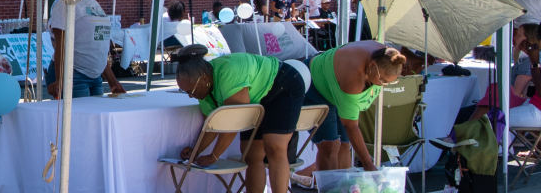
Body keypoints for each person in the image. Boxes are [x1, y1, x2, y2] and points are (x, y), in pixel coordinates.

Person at [174, 45, 305, 193]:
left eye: (191, 91)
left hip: (282, 84)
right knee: (251, 155)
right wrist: (195, 151)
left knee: (275, 149)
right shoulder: (202, 90)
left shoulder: (229, 72)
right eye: (186, 92)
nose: (191, 95)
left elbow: (235, 122)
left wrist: (214, 156)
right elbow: (211, 126)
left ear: (204, 78)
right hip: (256, 98)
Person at [293, 40, 406, 179]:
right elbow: (351, 126)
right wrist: (368, 165)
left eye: (389, 82)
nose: (383, 85)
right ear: (372, 65)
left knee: (345, 145)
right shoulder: (353, 77)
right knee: (330, 145)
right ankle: (328, 188)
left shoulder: (387, 56)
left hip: (335, 84)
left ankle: (343, 187)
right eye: (382, 80)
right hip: (313, 84)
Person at [46, 0, 126, 99]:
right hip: (73, 77)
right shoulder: (66, 2)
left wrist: (112, 81)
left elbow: (98, 47)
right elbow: (60, 46)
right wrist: (60, 79)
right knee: (79, 123)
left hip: (96, 78)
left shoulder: (93, 3)